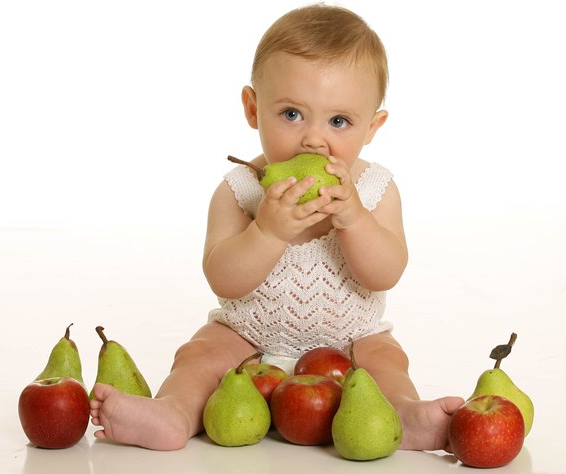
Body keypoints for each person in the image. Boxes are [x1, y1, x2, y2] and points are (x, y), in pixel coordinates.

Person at [90, 3, 464, 452]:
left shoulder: (374, 189)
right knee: (200, 354)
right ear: (253, 108)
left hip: (351, 342)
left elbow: (385, 274)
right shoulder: (240, 190)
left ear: (372, 127)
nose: (313, 138)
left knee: (386, 359)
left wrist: (354, 220)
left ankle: (403, 414)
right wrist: (266, 232)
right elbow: (223, 279)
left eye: (339, 121)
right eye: (291, 114)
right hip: (247, 338)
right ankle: (173, 413)